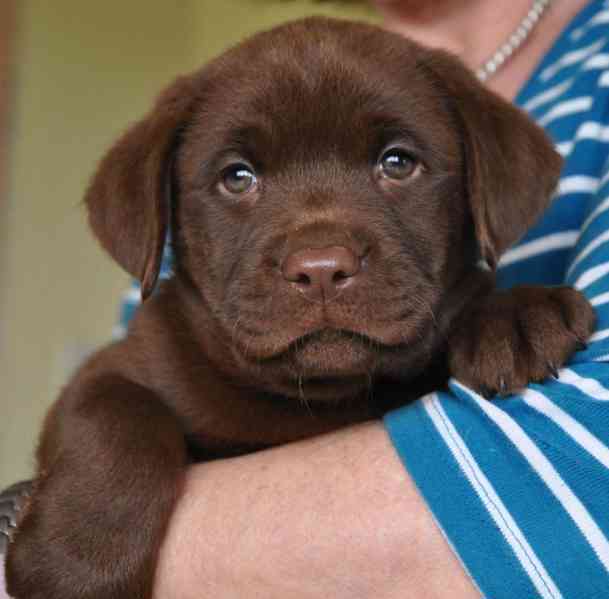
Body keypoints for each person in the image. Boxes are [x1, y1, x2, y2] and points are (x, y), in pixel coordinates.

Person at [3, 0, 609, 597]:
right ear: (165, 218)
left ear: (482, 189)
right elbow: (104, 395)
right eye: (238, 177)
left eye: (397, 162)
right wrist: (96, 512)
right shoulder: (175, 351)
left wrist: (503, 315)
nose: (319, 262)